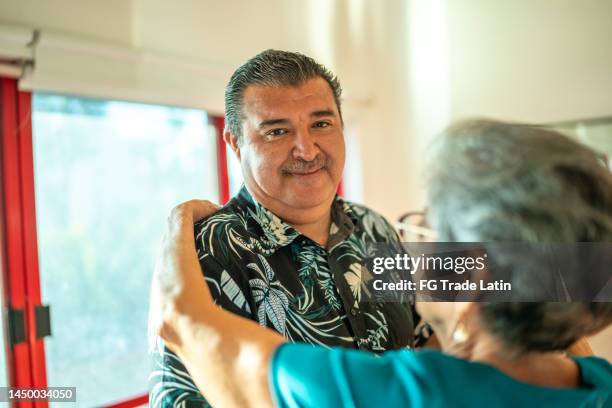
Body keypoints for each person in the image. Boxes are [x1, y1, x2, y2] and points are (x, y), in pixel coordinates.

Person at [150, 120, 612, 407]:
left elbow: (181, 319)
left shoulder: (403, 393)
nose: (307, 149)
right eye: (276, 130)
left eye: (429, 228)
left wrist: (177, 223)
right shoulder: (599, 380)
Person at [149, 50, 416, 407]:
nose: (306, 150)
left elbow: (427, 336)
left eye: (321, 124)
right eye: (277, 131)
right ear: (235, 143)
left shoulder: (375, 227)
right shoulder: (206, 253)